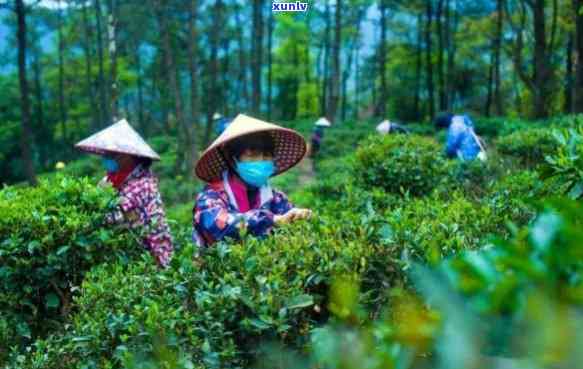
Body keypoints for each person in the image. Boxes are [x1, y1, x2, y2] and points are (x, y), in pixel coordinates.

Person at [192, 114, 312, 247]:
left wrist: (298, 216)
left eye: (267, 154)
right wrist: (271, 220)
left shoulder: (274, 197)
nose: (262, 160)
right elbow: (217, 224)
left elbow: (290, 215)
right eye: (253, 154)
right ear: (232, 158)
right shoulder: (210, 197)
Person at [75, 119, 174, 267]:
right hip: (127, 256)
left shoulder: (144, 184)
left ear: (127, 156)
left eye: (111, 154)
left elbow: (113, 218)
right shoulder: (114, 179)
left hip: (152, 259)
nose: (106, 158)